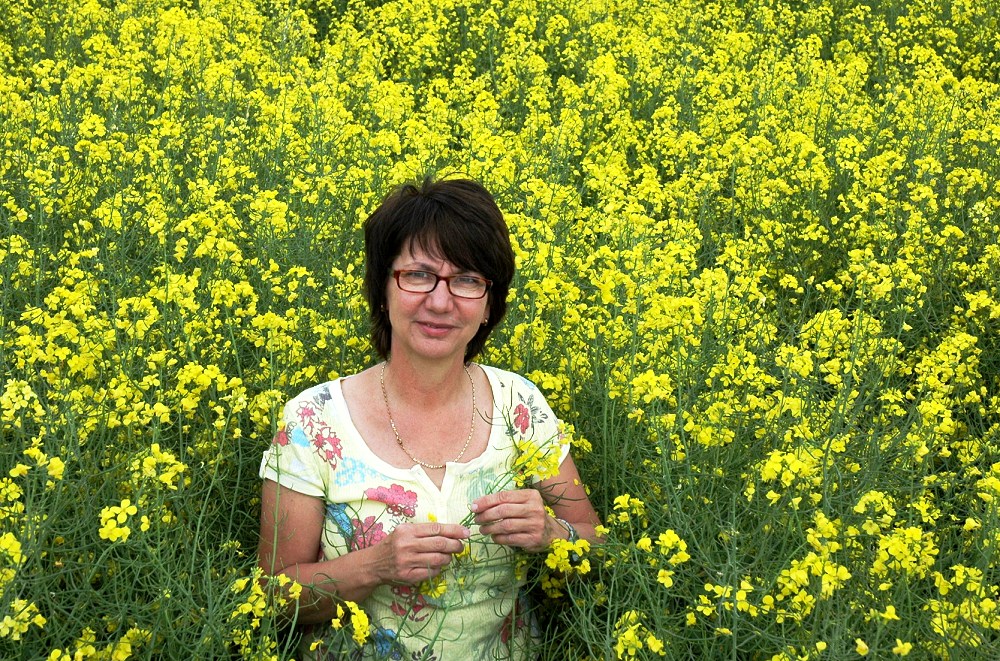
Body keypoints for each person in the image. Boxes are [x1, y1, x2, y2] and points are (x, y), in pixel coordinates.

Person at [257, 176, 602, 660]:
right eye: (418, 275)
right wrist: (375, 566)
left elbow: (597, 544)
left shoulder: (519, 405)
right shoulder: (312, 422)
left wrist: (551, 534)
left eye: (466, 280)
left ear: (488, 306)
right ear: (382, 290)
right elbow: (273, 593)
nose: (440, 302)